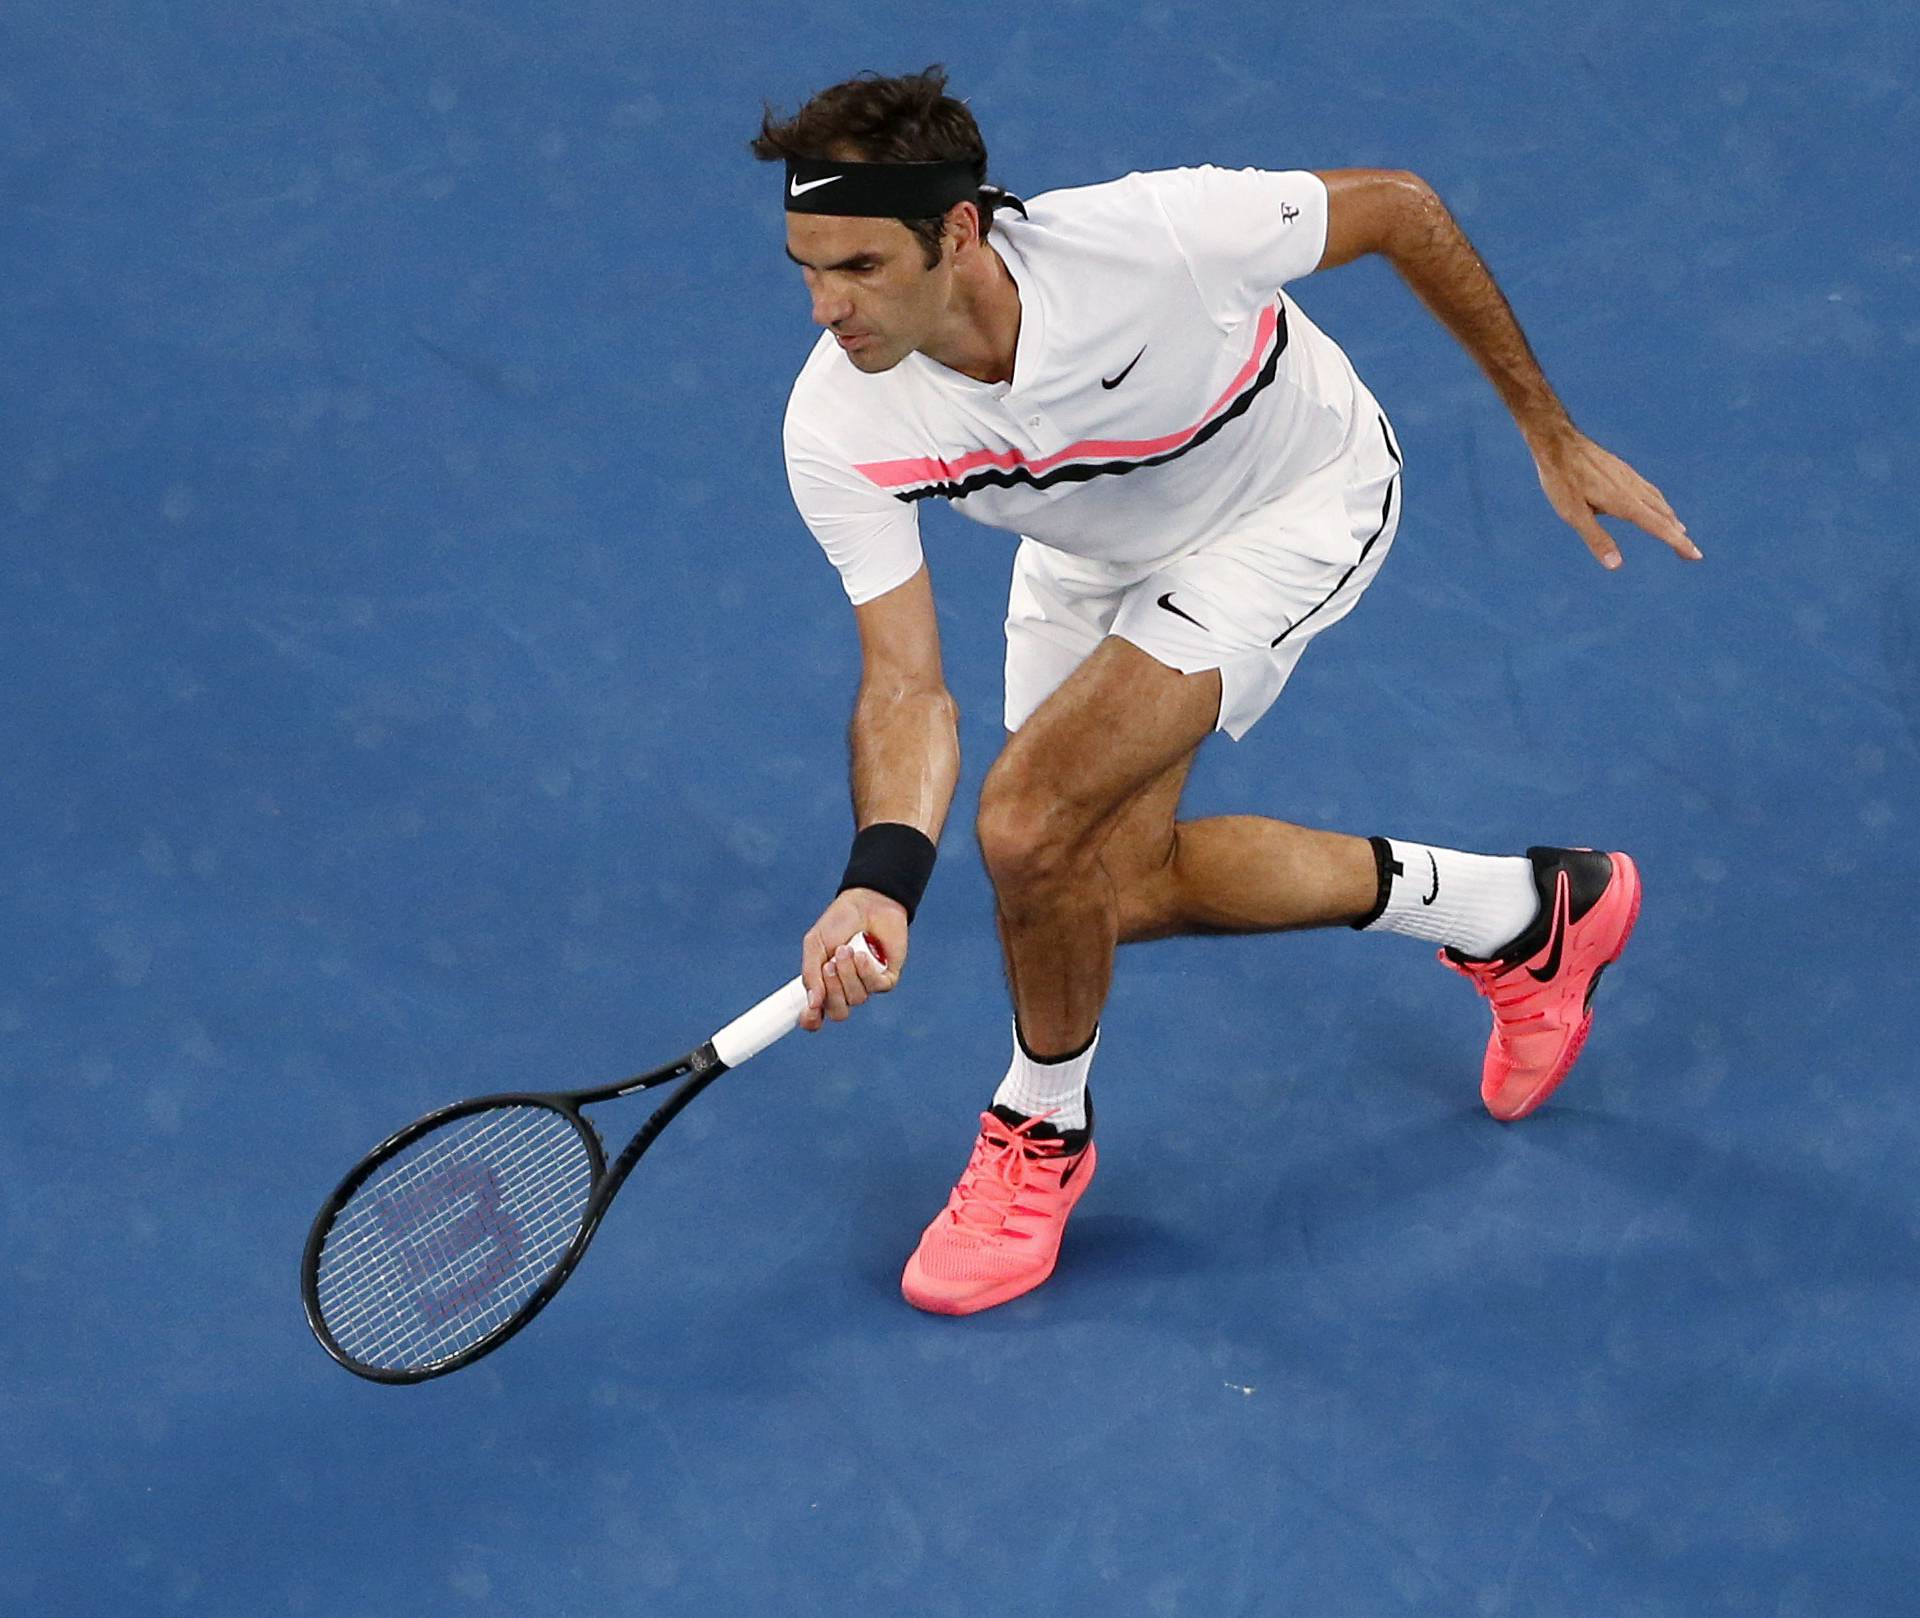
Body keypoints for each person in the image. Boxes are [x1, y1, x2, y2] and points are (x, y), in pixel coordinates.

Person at [750, 66, 1700, 1317]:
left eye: (860, 266)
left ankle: (1038, 1129)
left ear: (960, 231)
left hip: (1291, 505)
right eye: (806, 267)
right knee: (1104, 884)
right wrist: (879, 874)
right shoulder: (838, 422)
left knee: (1030, 822)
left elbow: (1402, 209)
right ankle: (1529, 914)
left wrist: (1548, 428)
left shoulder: (1155, 241)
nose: (826, 307)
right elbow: (906, 686)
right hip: (1095, 548)